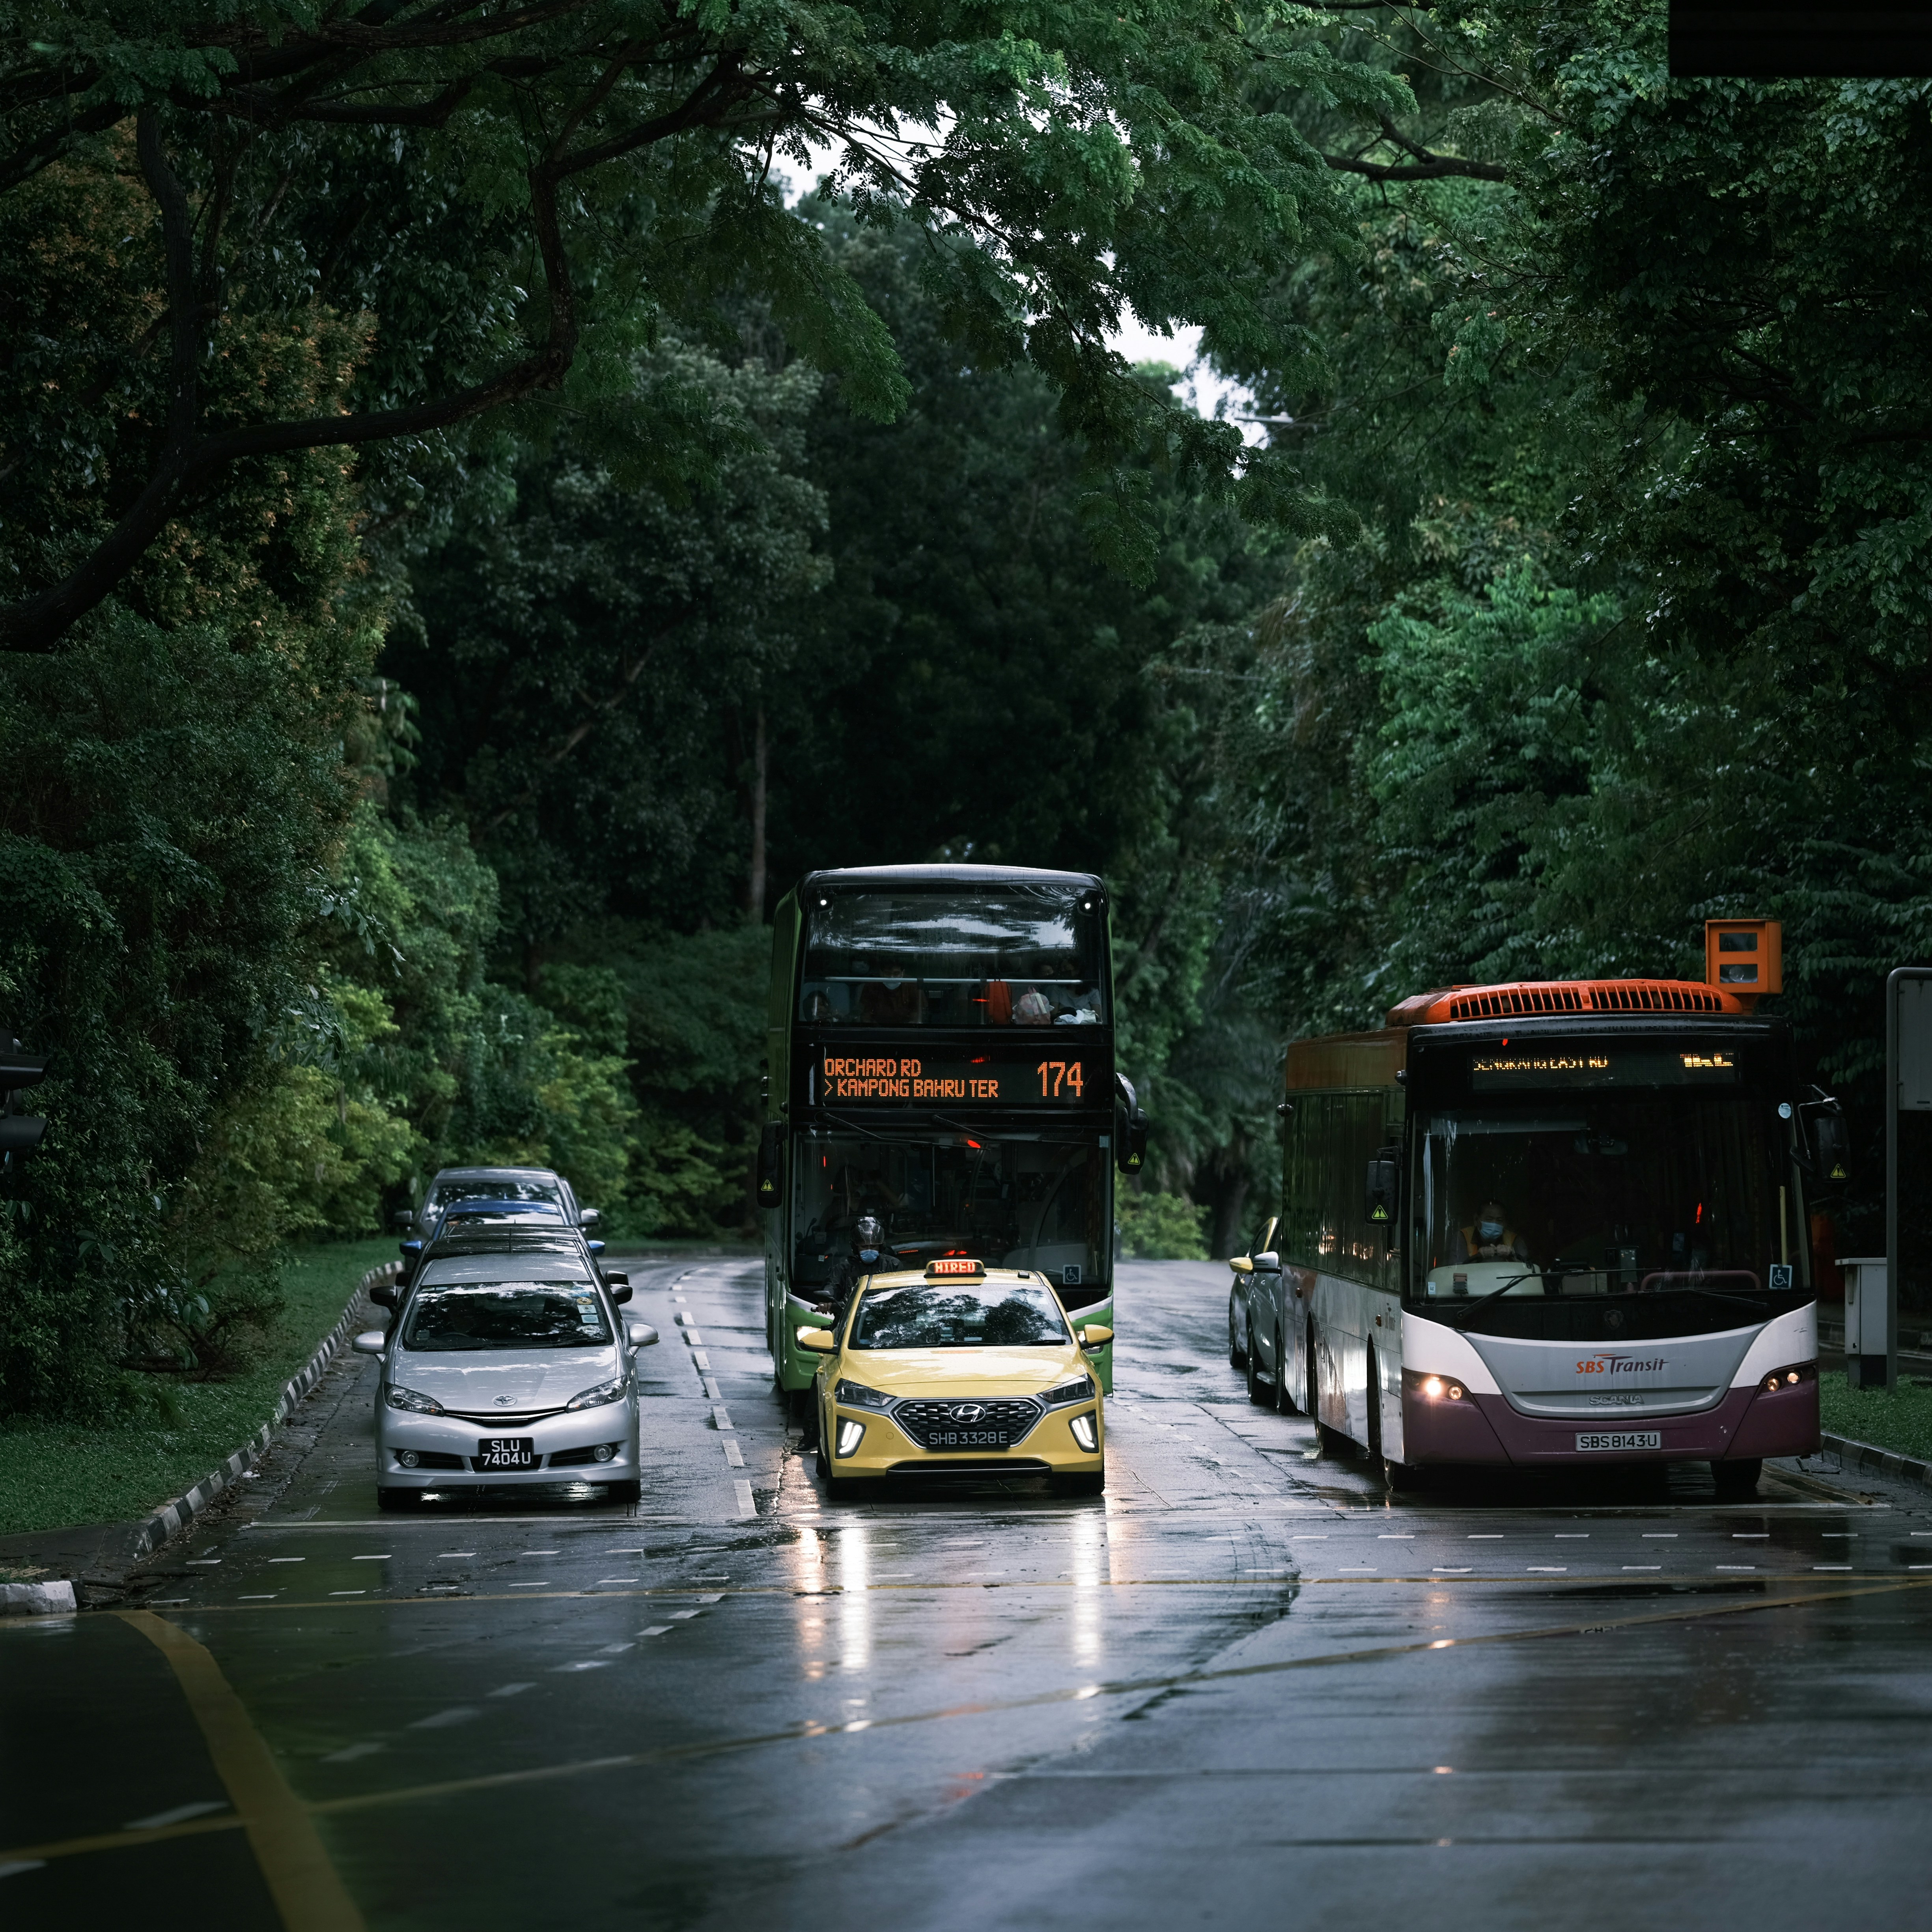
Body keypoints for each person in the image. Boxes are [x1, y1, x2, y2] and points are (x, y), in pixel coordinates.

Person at [1454, 1199, 1530, 1264]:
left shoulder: (1514, 1239)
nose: (1494, 1224)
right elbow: (1456, 1270)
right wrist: (1479, 1256)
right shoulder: (1463, 1236)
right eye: (1489, 1220)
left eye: (1499, 1220)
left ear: (1505, 1223)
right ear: (1476, 1220)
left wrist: (1511, 1256)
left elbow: (1527, 1268)